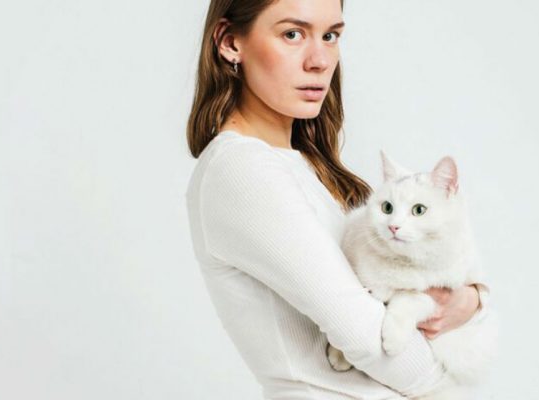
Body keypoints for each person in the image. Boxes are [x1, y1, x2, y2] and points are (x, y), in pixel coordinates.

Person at [184, 0, 491, 398]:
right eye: (292, 34)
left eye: (330, 36)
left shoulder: (297, 164)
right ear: (230, 42)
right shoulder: (243, 169)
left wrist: (471, 300)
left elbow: (399, 285)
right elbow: (364, 334)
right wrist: (451, 380)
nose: (320, 61)